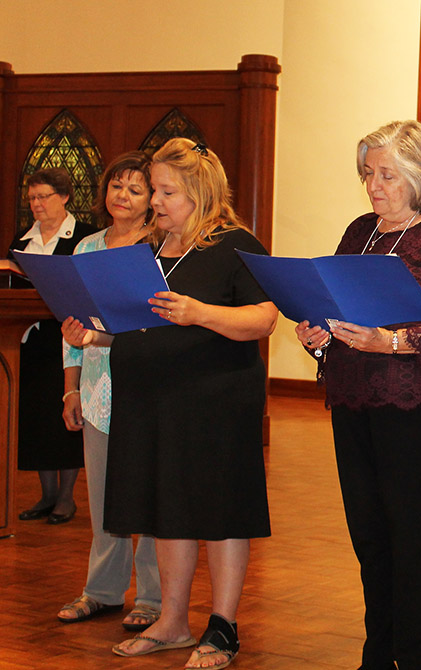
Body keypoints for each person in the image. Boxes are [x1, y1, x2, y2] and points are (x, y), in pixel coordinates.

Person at [63, 138, 277, 669]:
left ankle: (223, 629)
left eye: (165, 192)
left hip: (215, 402)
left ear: (200, 192)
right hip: (150, 401)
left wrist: (200, 312)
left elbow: (265, 318)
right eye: (154, 191)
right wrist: (94, 337)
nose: (154, 202)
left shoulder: (236, 244)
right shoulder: (154, 249)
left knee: (221, 512)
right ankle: (173, 622)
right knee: (167, 509)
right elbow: (142, 324)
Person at [295, 120, 421, 670]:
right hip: (354, 400)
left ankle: (413, 659)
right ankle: (376, 656)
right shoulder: (360, 231)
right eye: (368, 174)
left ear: (419, 173)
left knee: (412, 540)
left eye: (387, 174)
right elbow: (333, 305)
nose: (374, 186)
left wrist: (395, 341)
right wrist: (317, 334)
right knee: (370, 538)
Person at [57, 152, 161, 631]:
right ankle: (101, 590)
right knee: (101, 495)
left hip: (147, 385)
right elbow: (71, 326)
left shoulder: (161, 249)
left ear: (152, 200)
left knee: (152, 495)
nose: (123, 195)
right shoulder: (86, 249)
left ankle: (154, 599)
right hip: (96, 383)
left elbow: (153, 324)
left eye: (135, 189)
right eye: (116, 186)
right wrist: (70, 389)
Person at [7, 167, 96, 525]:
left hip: (69, 335)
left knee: (64, 419)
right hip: (28, 336)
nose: (37, 204)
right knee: (37, 418)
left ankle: (66, 498)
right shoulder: (23, 239)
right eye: (31, 198)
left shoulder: (85, 237)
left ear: (64, 197)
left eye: (43, 196)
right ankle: (45, 495)